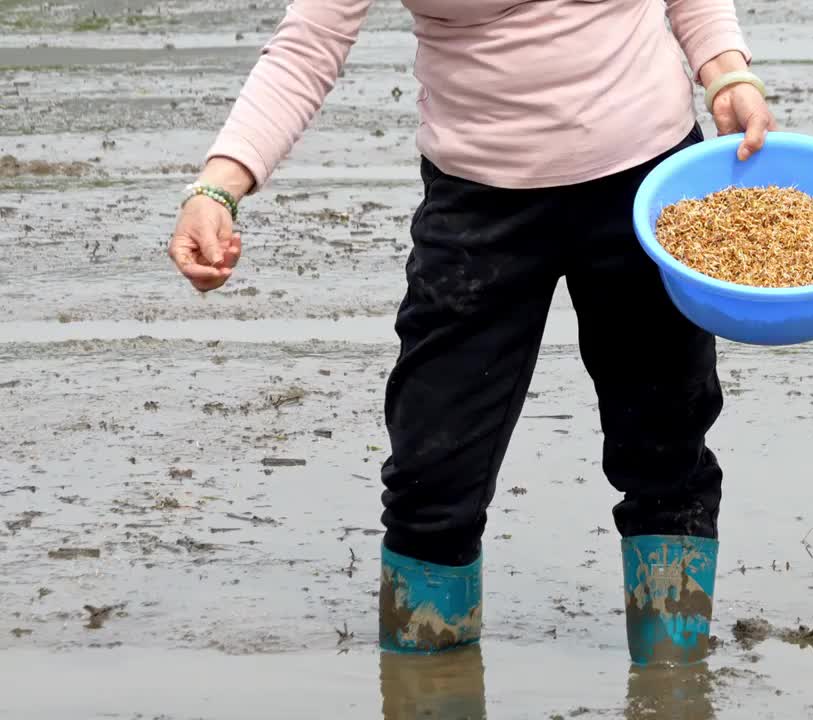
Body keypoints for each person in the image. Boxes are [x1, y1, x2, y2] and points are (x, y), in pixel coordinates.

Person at [167, 0, 776, 667]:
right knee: (432, 477)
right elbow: (308, 46)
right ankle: (426, 688)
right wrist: (219, 186)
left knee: (668, 456)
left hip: (649, 185)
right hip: (478, 205)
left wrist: (726, 74)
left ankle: (673, 690)